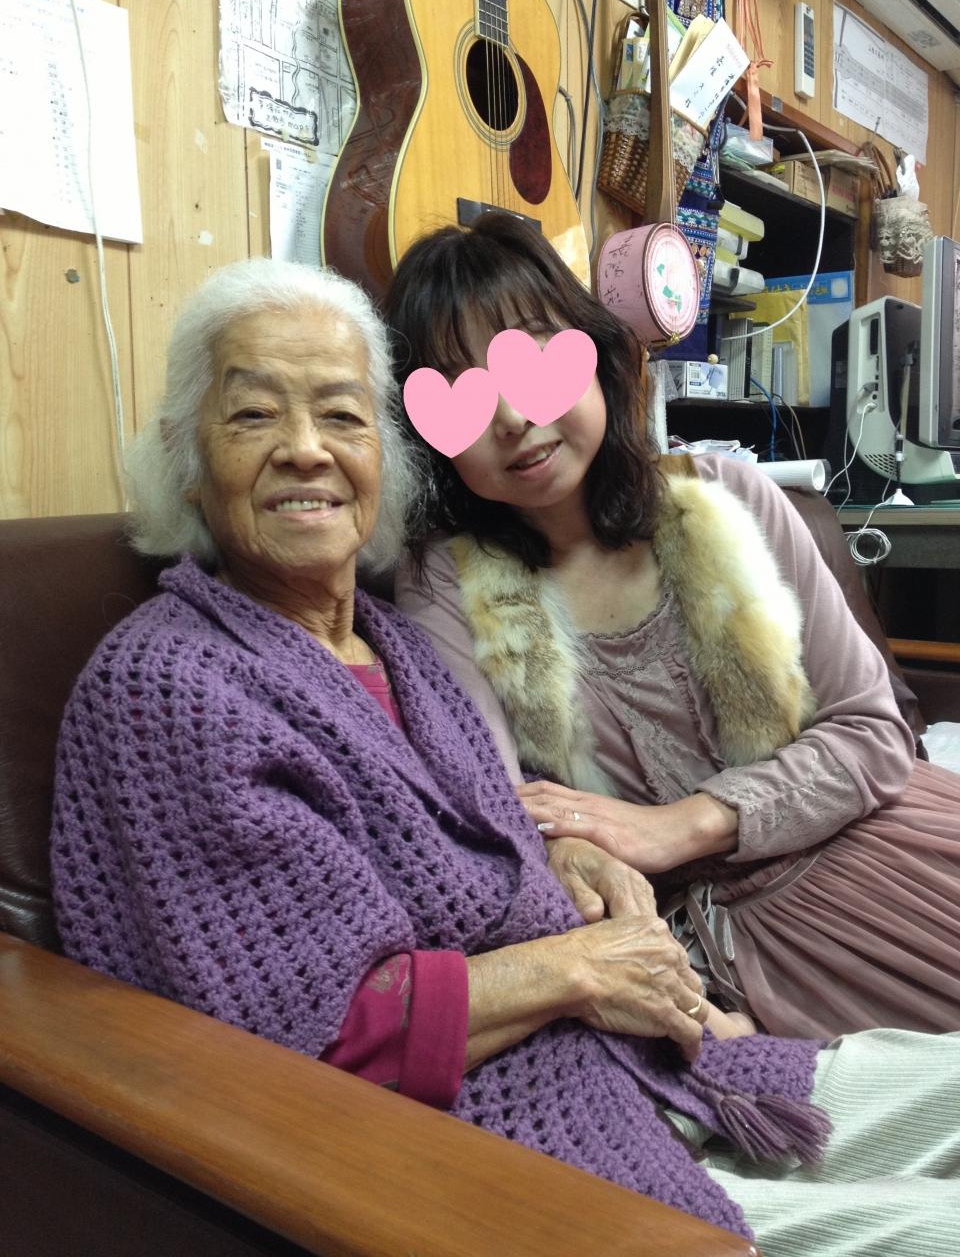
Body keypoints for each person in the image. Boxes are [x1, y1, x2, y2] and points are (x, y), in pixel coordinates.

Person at [51, 259, 959, 1256]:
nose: (307, 449)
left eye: (344, 416)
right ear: (185, 456)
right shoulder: (174, 684)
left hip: (659, 1067)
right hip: (531, 1138)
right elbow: (303, 1023)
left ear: (386, 459)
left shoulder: (389, 649)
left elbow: (494, 841)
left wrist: (572, 861)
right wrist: (575, 967)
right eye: (255, 415)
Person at [384, 211, 960, 1042]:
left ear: (595, 354)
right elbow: (501, 817)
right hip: (732, 951)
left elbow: (872, 732)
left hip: (889, 843)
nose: (509, 415)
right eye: (462, 390)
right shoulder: (443, 587)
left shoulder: (734, 498)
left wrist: (681, 824)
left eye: (532, 356)